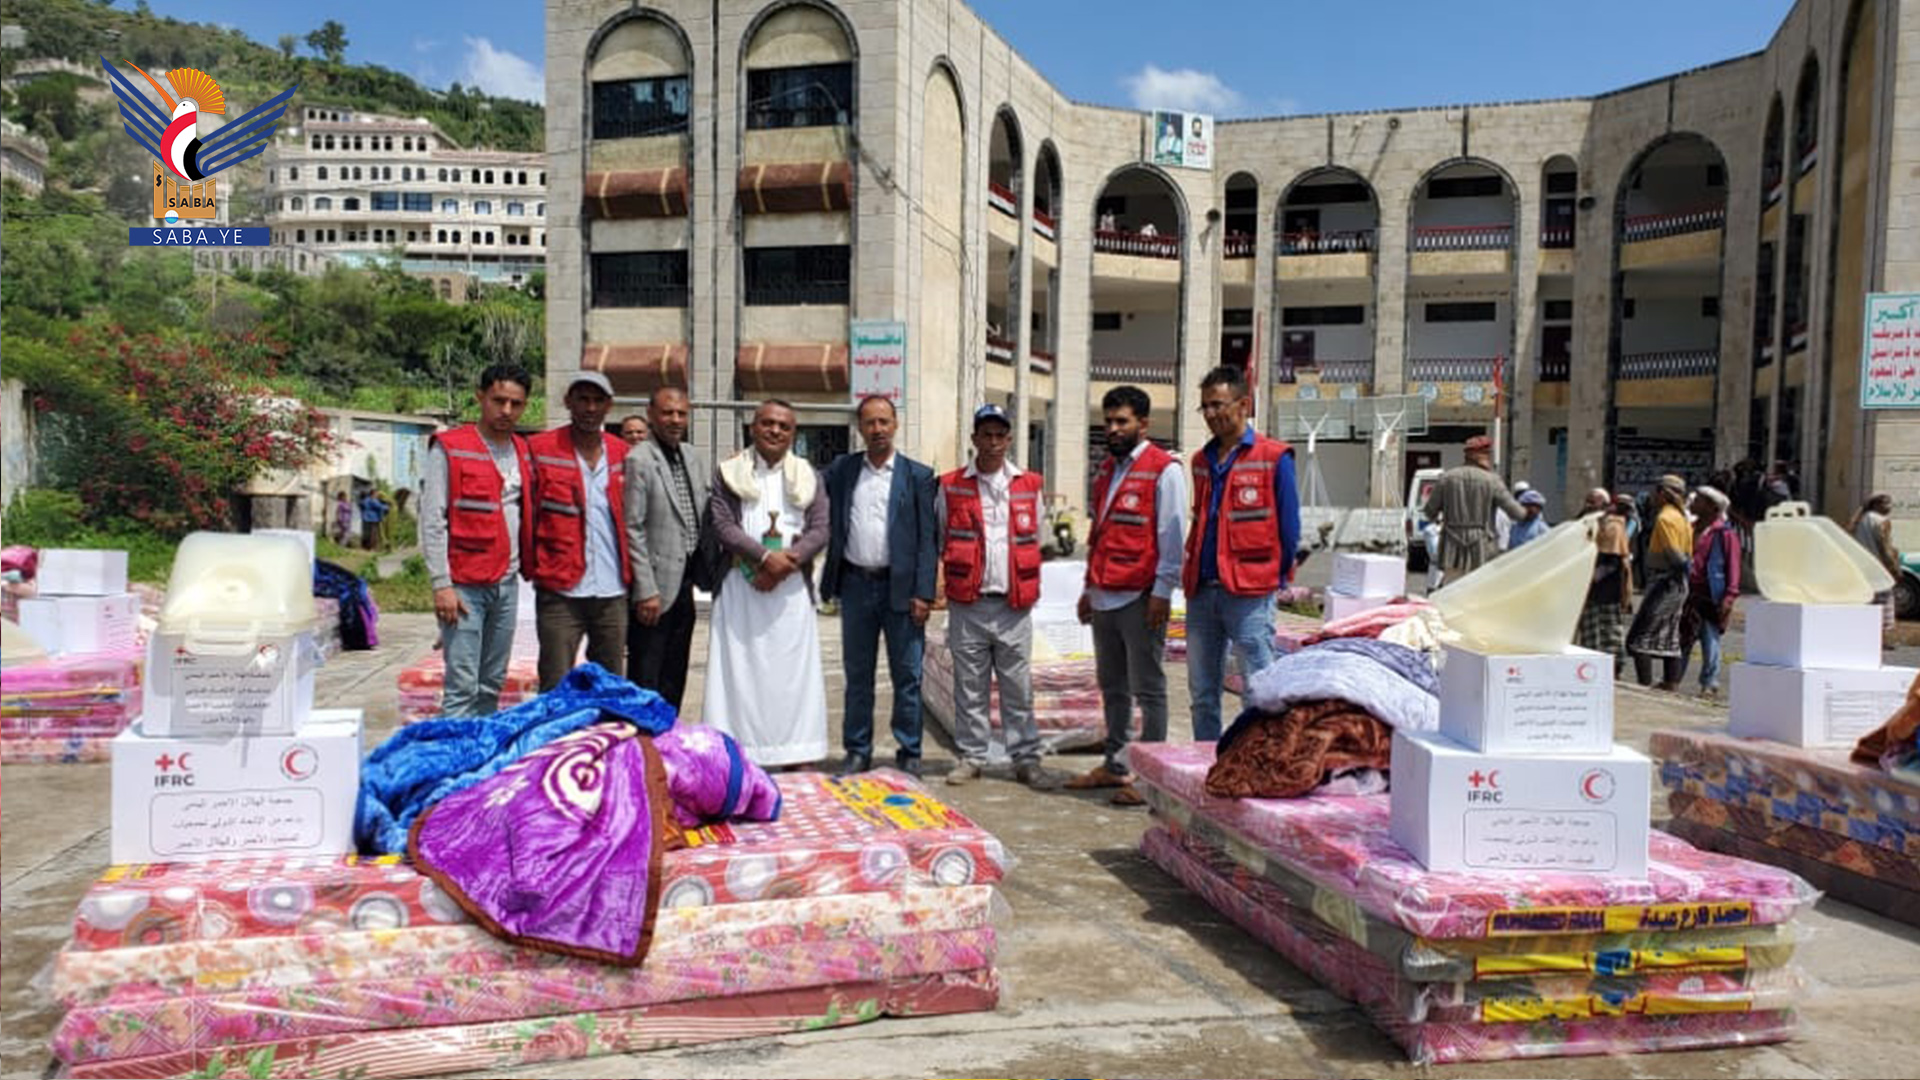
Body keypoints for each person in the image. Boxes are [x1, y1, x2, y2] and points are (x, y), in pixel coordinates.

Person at [1065, 386, 1186, 806]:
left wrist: (1162, 592)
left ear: (1143, 425)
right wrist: (1087, 589)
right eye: (1108, 421)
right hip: (1104, 596)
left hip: (1140, 596)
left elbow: (1171, 535)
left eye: (1122, 422)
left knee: (1148, 687)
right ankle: (1116, 766)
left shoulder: (1164, 470)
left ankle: (1150, 777)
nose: (1113, 429)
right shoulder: (1107, 473)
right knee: (1112, 686)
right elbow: (1099, 536)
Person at [939, 404, 1060, 789]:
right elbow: (941, 536)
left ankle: (1025, 759)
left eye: (999, 435)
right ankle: (972, 756)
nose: (992, 442)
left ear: (1009, 439)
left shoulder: (1030, 485)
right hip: (968, 604)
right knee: (969, 687)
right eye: (985, 434)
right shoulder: (951, 485)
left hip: (1013, 606)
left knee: (1018, 688)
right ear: (973, 438)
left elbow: (1038, 539)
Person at [703, 400, 830, 767]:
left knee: (791, 677)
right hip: (742, 587)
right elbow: (723, 524)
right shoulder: (729, 472)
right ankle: (737, 752)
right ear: (753, 427)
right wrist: (763, 557)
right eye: (768, 423)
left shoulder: (808, 474)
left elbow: (821, 528)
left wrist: (785, 563)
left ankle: (796, 752)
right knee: (740, 672)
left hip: (790, 592)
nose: (775, 431)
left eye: (784, 426)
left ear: (794, 433)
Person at [820, 395, 938, 778]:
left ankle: (910, 750)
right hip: (856, 585)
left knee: (907, 676)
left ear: (895, 424)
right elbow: (806, 491)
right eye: (870, 423)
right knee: (858, 675)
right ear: (860, 428)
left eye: (884, 421)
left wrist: (924, 592)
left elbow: (927, 540)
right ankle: (857, 749)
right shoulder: (842, 470)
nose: (878, 429)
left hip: (901, 590)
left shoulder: (917, 476)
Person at [1184, 366, 1300, 742]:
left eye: (1218, 405)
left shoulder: (1273, 457)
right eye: (1205, 407)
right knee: (1202, 692)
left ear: (1243, 404)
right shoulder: (1200, 462)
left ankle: (1257, 761)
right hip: (1203, 592)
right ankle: (1206, 762)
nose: (1212, 414)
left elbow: (1289, 527)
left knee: (1258, 689)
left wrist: (1273, 579)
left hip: (1249, 593)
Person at [420, 363, 534, 717]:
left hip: (506, 585)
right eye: (498, 401)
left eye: (516, 404)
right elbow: (432, 519)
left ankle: (480, 761)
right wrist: (442, 585)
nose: (506, 411)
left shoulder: (523, 451)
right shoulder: (451, 448)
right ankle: (451, 768)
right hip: (464, 587)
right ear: (480, 397)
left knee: (491, 684)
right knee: (462, 687)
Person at [527, 371, 631, 691]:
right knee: (555, 684)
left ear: (608, 407)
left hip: (612, 592)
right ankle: (557, 741)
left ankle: (603, 741)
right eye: (583, 399)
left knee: (610, 686)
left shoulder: (622, 453)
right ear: (568, 402)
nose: (590, 408)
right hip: (561, 591)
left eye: (598, 400)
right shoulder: (540, 448)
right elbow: (527, 514)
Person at [621, 387, 711, 711]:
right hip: (654, 587)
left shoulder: (691, 456)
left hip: (686, 579)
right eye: (667, 412)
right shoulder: (639, 459)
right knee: (647, 671)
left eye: (681, 413)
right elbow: (632, 527)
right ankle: (643, 745)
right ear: (651, 414)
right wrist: (645, 589)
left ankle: (668, 738)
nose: (675, 420)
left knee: (676, 668)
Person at [1423, 435, 1525, 581]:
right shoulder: (1492, 480)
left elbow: (1429, 512)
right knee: (1479, 591)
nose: (1488, 457)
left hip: (1452, 549)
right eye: (1486, 453)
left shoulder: (1446, 478)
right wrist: (1528, 513)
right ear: (1478, 456)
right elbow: (1515, 512)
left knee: (1452, 590)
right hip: (1483, 548)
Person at [1627, 475, 1693, 691]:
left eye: (1656, 491)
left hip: (1667, 582)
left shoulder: (1665, 518)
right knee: (1670, 636)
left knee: (1639, 638)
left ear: (1664, 493)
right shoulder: (1682, 518)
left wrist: (1673, 577)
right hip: (1679, 584)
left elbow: (1676, 557)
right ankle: (1670, 683)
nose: (1653, 496)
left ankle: (1644, 687)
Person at [1680, 486, 1742, 697]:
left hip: (1711, 593)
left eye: (1699, 500)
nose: (1693, 503)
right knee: (1684, 636)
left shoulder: (1724, 534)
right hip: (1689, 591)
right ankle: (1675, 677)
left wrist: (1730, 595)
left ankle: (1710, 681)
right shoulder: (1690, 528)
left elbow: (1733, 566)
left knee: (1710, 638)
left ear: (1711, 507)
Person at [1576, 488, 1634, 664]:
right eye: (1588, 500)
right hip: (1588, 589)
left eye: (1593, 501)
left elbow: (1612, 560)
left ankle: (1614, 669)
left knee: (1610, 634)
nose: (1589, 505)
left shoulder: (1613, 526)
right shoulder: (1587, 522)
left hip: (1607, 589)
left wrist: (1591, 577)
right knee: (1589, 635)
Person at [1849, 492, 1900, 635]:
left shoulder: (1860, 519)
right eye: (1886, 503)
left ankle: (1864, 634)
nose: (1889, 507)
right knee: (1884, 604)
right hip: (1879, 568)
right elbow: (1886, 548)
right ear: (1876, 505)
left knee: (1866, 602)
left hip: (1862, 568)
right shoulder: (1881, 520)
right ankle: (1883, 638)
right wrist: (1894, 568)